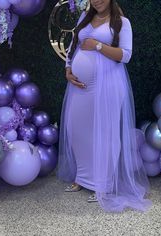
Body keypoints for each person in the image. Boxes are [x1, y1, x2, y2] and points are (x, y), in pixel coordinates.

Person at [57, 0, 152, 212]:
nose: (96, 0)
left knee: (104, 132)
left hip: (107, 85)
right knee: (77, 130)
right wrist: (68, 68)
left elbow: (125, 55)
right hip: (80, 87)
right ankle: (82, 177)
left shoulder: (122, 23)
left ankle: (102, 184)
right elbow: (74, 44)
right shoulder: (85, 18)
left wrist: (98, 46)